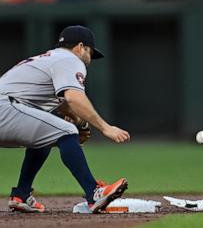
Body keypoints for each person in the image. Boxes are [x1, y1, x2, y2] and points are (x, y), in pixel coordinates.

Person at [0, 25, 130, 213]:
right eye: (90, 53)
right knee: (66, 131)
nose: (89, 60)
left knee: (45, 134)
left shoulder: (51, 59)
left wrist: (80, 121)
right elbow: (73, 97)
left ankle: (21, 193)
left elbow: (63, 104)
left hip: (8, 108)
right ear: (80, 47)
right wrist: (105, 127)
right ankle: (94, 192)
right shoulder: (70, 59)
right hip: (6, 107)